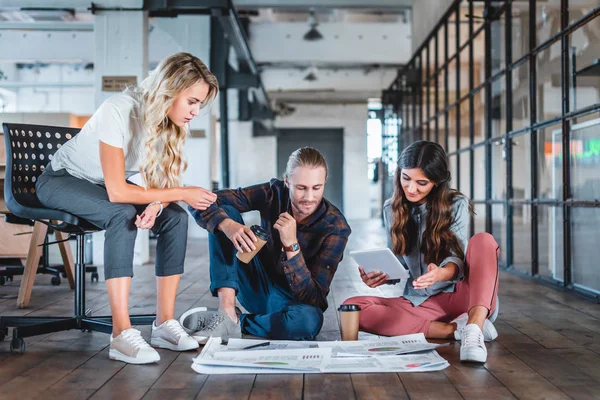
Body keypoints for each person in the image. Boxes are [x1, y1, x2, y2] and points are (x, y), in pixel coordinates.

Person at [36, 52, 219, 364]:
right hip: (62, 180)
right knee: (121, 214)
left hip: (101, 185)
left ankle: (163, 324)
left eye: (200, 104)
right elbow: (118, 192)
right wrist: (181, 192)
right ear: (169, 90)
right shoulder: (118, 109)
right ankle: (121, 334)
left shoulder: (173, 121)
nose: (196, 111)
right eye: (192, 101)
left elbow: (161, 183)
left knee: (175, 216)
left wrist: (158, 202)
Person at [343, 141, 500, 363]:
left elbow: (457, 259)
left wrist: (441, 273)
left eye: (421, 182)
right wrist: (382, 275)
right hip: (420, 301)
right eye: (405, 178)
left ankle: (474, 328)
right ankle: (455, 330)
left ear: (436, 182)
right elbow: (399, 263)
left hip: (463, 296)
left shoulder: (456, 204)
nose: (411, 188)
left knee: (483, 241)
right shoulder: (392, 208)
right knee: (352, 308)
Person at [183, 147, 351, 341]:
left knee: (307, 323)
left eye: (316, 188)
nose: (309, 198)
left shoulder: (336, 227)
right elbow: (199, 201)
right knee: (226, 212)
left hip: (292, 304)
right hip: (255, 285)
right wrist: (227, 225)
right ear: (287, 182)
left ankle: (237, 322)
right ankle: (226, 312)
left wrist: (291, 245)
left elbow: (313, 297)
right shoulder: (274, 192)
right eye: (301, 188)